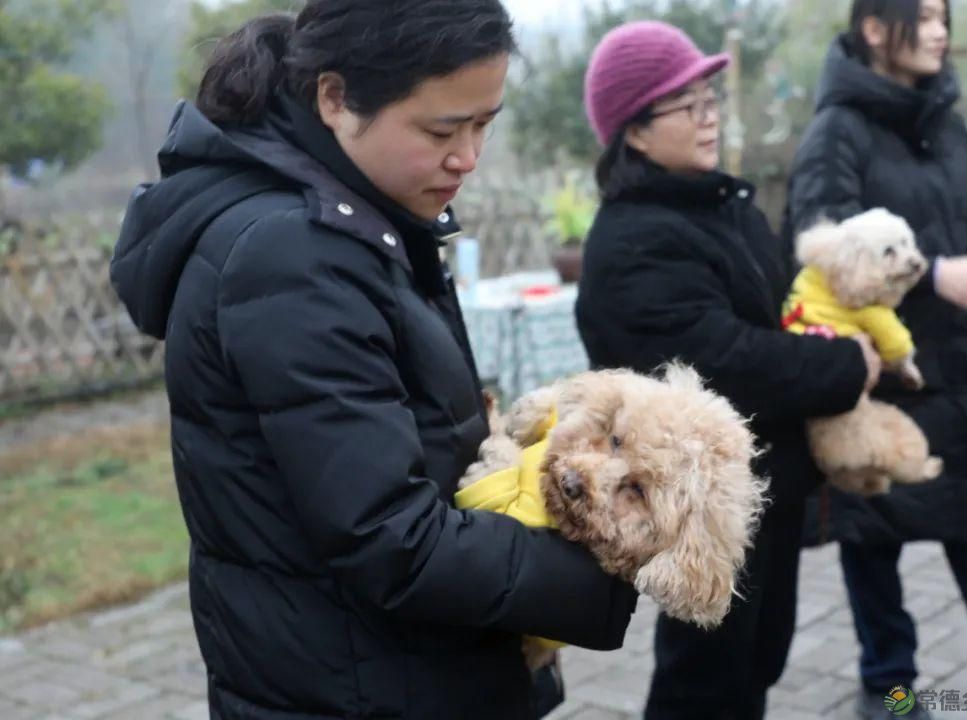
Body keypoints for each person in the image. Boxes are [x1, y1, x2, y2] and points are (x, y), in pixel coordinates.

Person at [109, 3, 637, 719]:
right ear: (334, 98)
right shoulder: (292, 255)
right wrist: (608, 565)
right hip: (357, 684)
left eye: (484, 123)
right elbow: (388, 537)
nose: (468, 157)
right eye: (441, 130)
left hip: (376, 666)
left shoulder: (357, 213)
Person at [574, 20, 881, 720]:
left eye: (711, 98)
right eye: (689, 105)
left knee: (759, 656)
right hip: (702, 503)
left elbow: (771, 319)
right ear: (636, 131)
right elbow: (723, 362)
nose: (709, 116)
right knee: (703, 682)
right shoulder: (635, 239)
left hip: (764, 485)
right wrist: (842, 364)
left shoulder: (718, 205)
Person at [785, 1, 967, 718]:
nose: (942, 30)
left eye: (946, 15)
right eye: (925, 15)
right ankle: (889, 695)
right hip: (879, 384)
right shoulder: (836, 133)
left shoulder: (947, 125)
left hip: (966, 381)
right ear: (877, 29)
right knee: (873, 553)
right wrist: (934, 272)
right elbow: (819, 259)